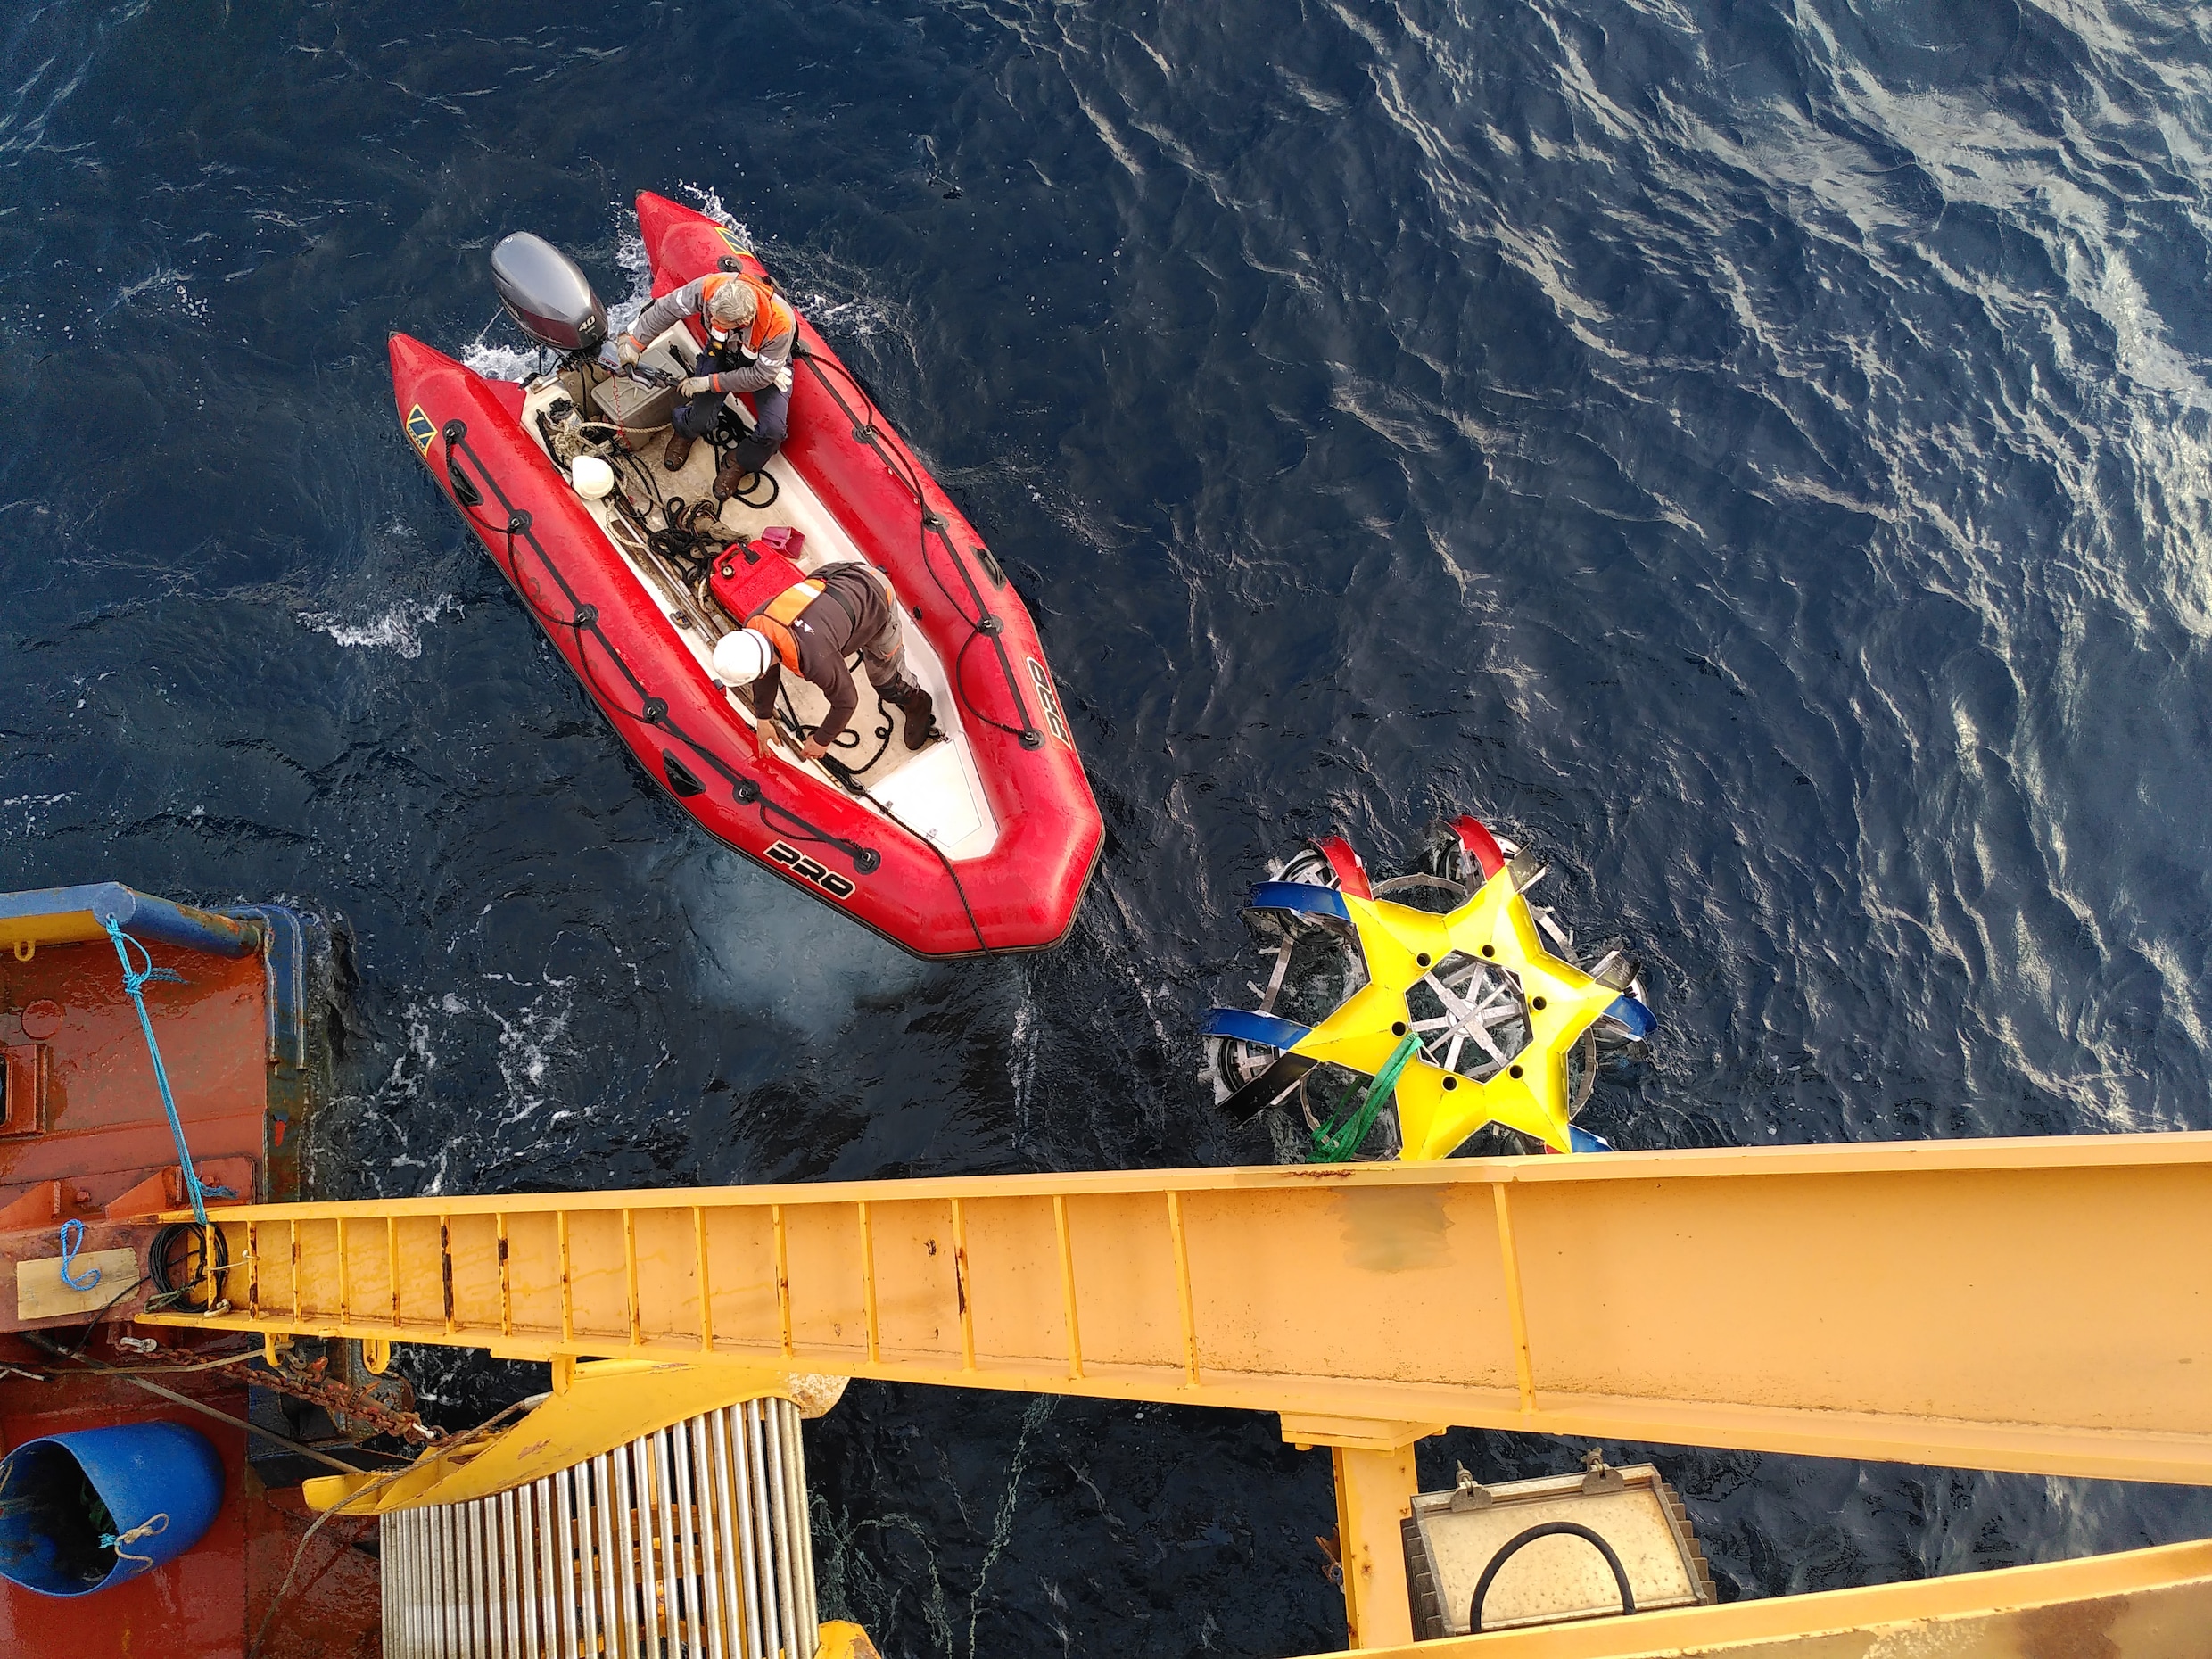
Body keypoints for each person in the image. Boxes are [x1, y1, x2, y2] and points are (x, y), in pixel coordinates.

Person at [709, 560, 937, 762]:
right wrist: (763, 717)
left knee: (887, 682)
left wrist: (822, 740)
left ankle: (919, 703)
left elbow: (847, 701)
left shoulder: (816, 659)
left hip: (875, 592)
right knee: (835, 636)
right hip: (836, 576)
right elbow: (766, 671)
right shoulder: (756, 624)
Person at [618, 267, 795, 499]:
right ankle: (686, 430)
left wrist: (709, 383)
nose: (712, 321)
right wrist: (635, 343)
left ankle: (739, 462)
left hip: (764, 366)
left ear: (744, 321)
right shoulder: (710, 288)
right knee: (700, 417)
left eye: (719, 321)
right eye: (712, 315)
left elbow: (761, 376)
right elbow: (667, 308)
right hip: (723, 350)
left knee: (773, 430)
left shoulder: (780, 324)